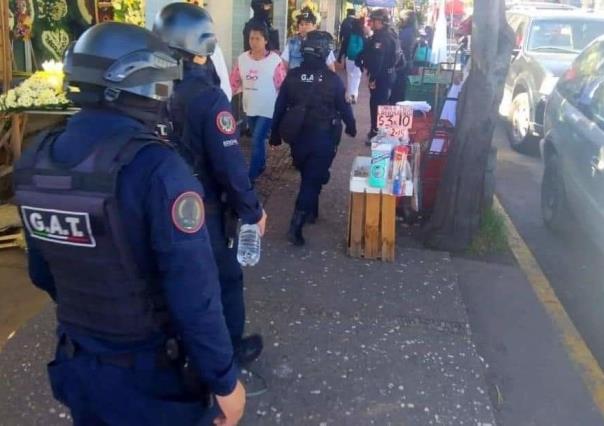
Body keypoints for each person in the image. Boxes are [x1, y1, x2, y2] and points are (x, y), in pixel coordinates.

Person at [12, 22, 246, 425]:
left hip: (78, 364)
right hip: (150, 379)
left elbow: (42, 272)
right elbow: (194, 294)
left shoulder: (36, 158)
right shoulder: (157, 168)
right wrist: (225, 380)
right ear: (136, 83)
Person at [154, 3, 267, 367]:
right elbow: (230, 165)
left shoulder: (148, 88)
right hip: (201, 207)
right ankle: (227, 353)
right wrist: (252, 210)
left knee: (169, 278)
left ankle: (175, 345)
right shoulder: (207, 97)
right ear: (203, 49)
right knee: (224, 280)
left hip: (154, 201)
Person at [270, 31, 356, 246]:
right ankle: (296, 224)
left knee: (309, 173)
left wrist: (274, 135)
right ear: (324, 52)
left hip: (297, 138)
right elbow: (344, 108)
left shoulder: (292, 76)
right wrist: (352, 127)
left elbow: (280, 107)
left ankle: (311, 211)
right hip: (323, 137)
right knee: (311, 179)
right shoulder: (332, 80)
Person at [230, 23, 287, 183]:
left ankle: (252, 174)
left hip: (268, 108)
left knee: (256, 139)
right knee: (258, 139)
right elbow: (233, 81)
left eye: (257, 38)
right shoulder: (242, 59)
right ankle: (261, 164)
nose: (254, 42)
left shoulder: (275, 60)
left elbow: (282, 85)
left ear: (266, 41)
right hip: (250, 106)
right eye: (251, 38)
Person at [356, 8, 401, 143]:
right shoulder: (387, 34)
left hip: (381, 77)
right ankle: (378, 132)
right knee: (380, 104)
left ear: (381, 21)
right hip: (387, 75)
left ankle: (377, 133)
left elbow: (378, 60)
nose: (371, 23)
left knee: (377, 105)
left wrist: (373, 78)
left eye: (374, 20)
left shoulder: (382, 37)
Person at [282, 7, 336, 72]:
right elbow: (284, 67)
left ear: (314, 26)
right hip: (296, 80)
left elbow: (332, 69)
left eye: (307, 24)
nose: (304, 27)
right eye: (301, 24)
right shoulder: (292, 42)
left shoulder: (323, 42)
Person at [390, 10, 417, 103]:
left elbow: (399, 47)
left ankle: (395, 106)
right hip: (406, 62)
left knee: (398, 88)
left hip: (402, 63)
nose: (399, 20)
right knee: (400, 88)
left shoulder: (407, 32)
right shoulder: (410, 30)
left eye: (401, 18)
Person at [340, 18, 364, 104]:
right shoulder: (363, 34)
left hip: (349, 58)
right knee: (357, 77)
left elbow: (343, 47)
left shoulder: (349, 34)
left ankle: (348, 96)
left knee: (350, 76)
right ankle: (354, 95)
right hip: (359, 59)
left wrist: (340, 57)